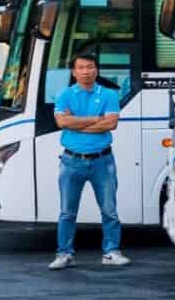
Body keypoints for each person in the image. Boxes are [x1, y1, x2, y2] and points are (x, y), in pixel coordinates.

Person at [49, 50, 129, 270]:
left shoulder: (110, 95)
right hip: (71, 161)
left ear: (97, 70)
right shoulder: (64, 95)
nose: (86, 72)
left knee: (109, 210)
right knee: (67, 212)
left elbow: (111, 124)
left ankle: (111, 252)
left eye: (90, 67)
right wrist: (95, 120)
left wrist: (76, 122)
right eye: (81, 68)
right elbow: (61, 123)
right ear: (74, 72)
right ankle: (64, 254)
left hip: (102, 161)